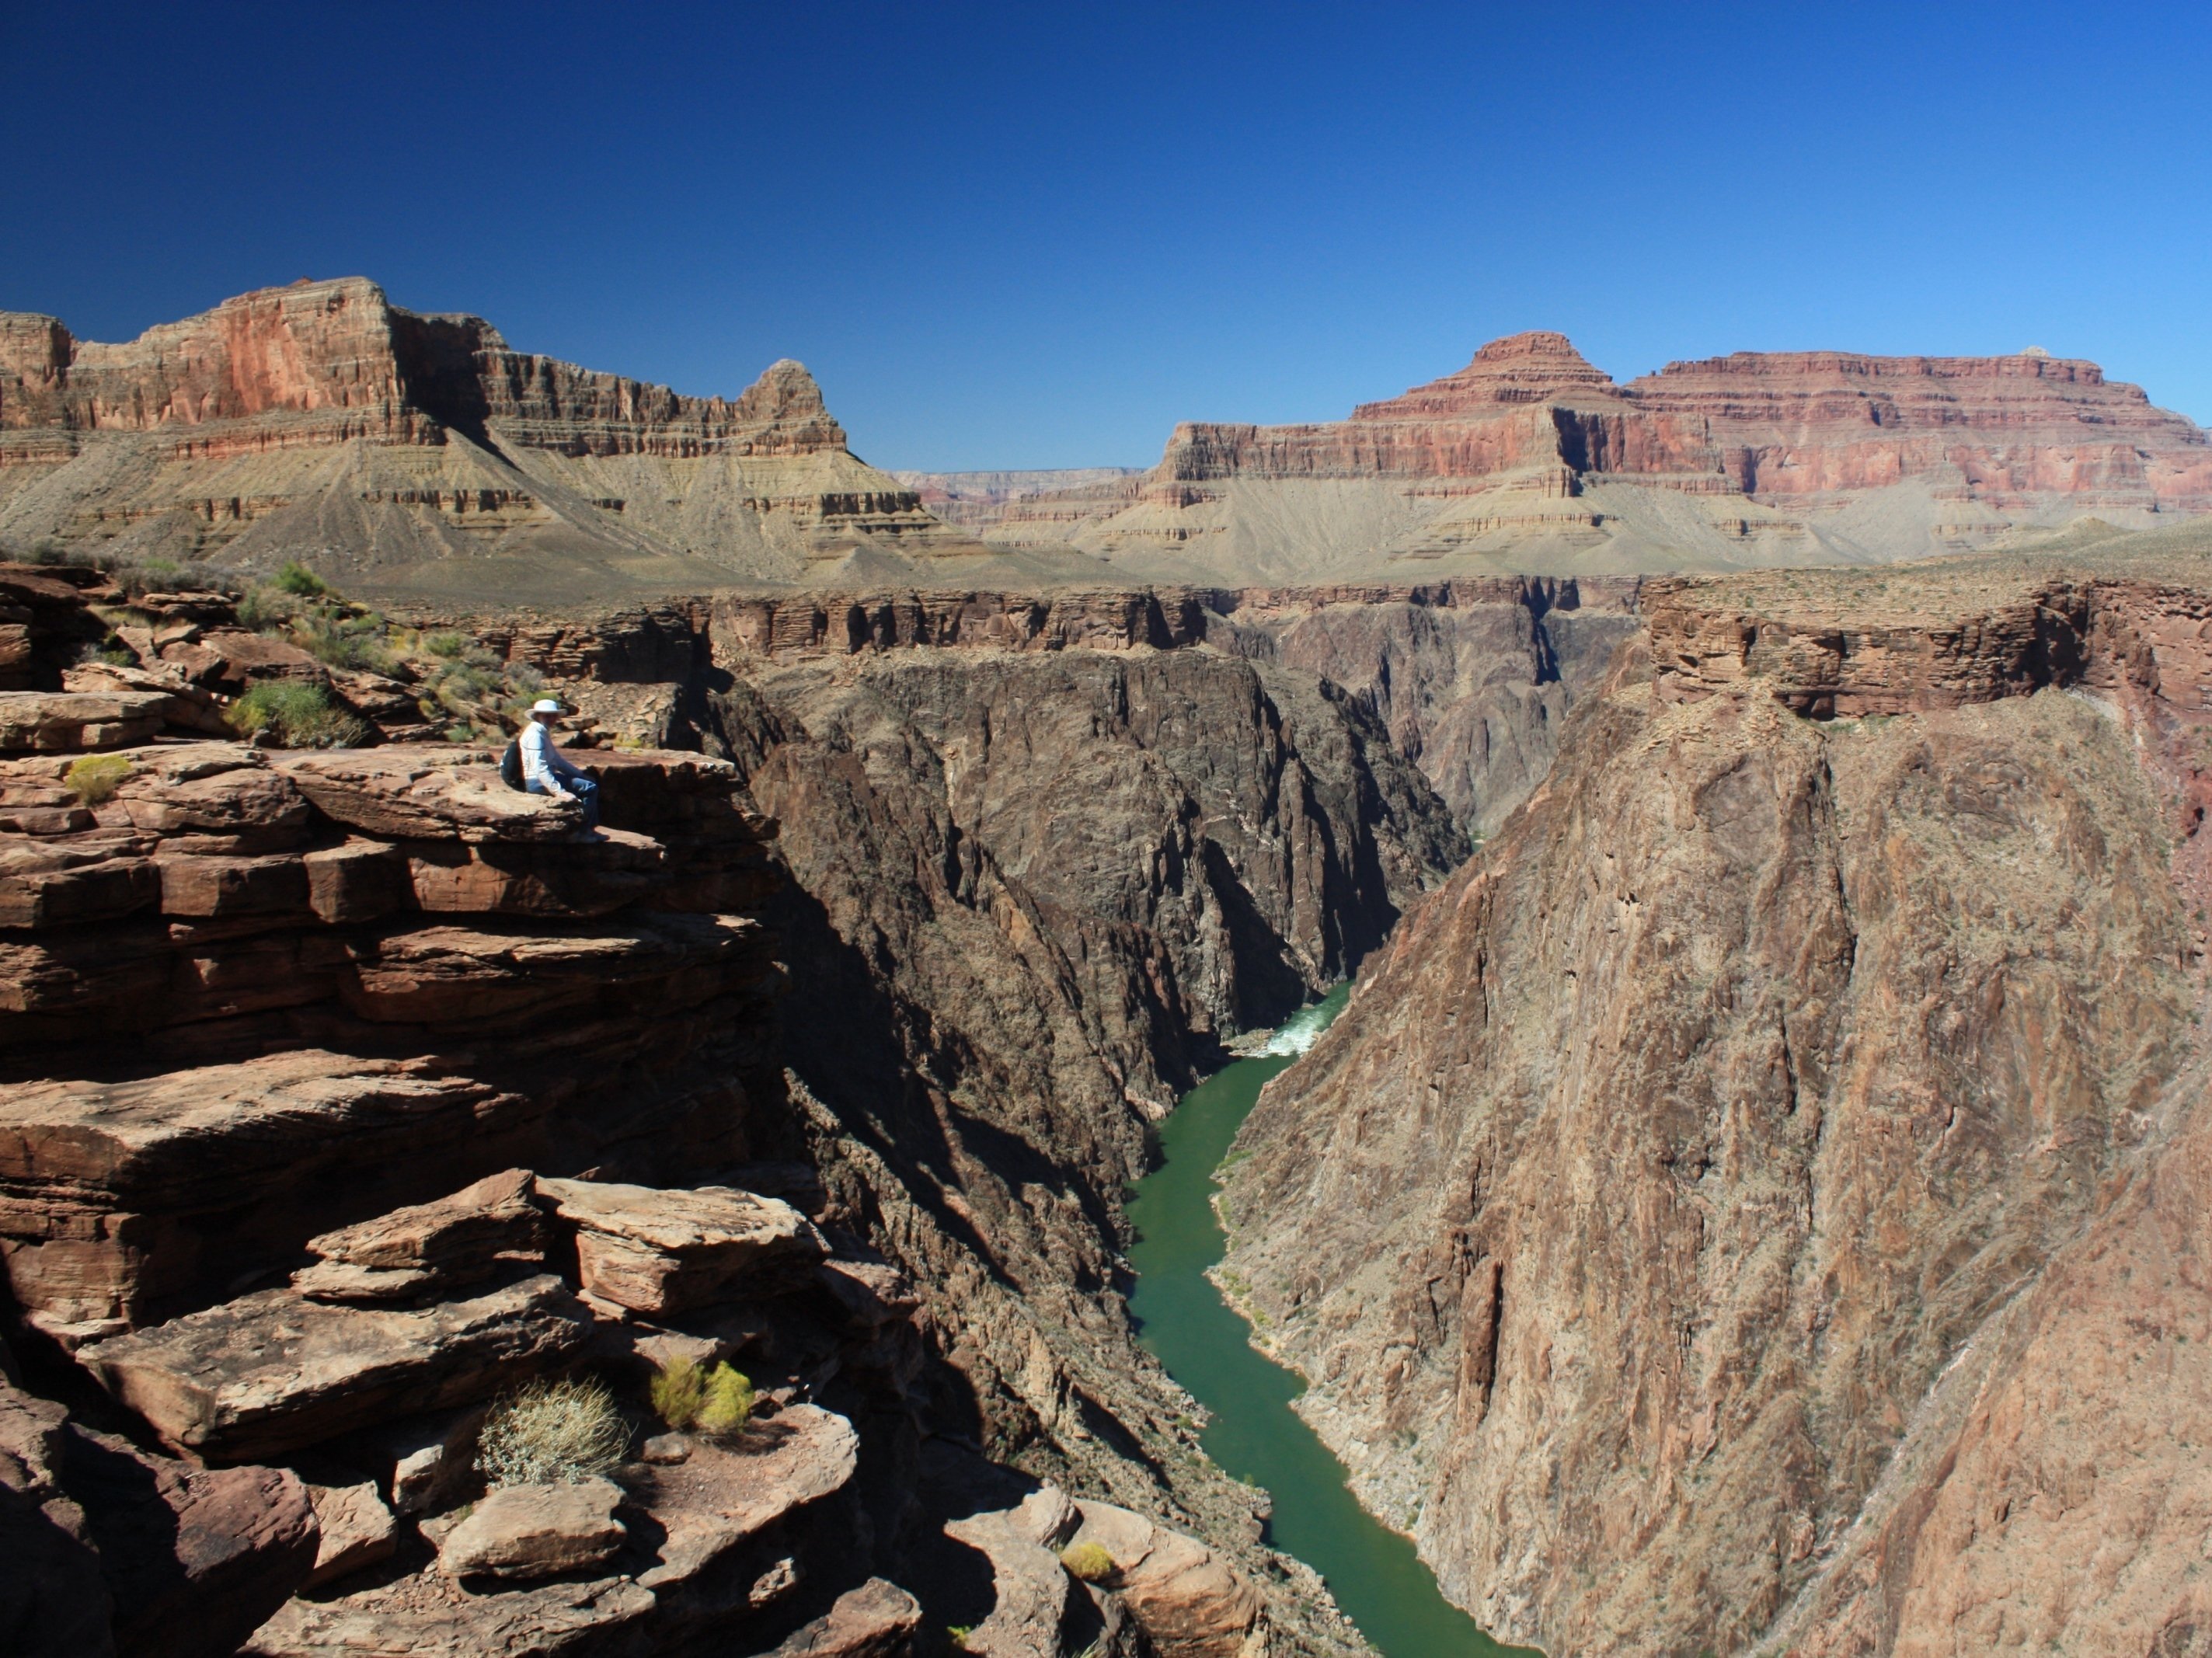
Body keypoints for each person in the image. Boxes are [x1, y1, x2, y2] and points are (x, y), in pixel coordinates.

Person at [518, 698, 600, 829]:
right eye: (547, 716)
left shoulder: (541, 732)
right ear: (538, 716)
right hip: (537, 782)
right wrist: (559, 792)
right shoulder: (535, 735)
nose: (551, 719)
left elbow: (558, 761)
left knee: (587, 783)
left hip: (542, 779)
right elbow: (540, 768)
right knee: (590, 788)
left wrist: (580, 775)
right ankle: (585, 830)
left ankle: (584, 827)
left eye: (554, 716)